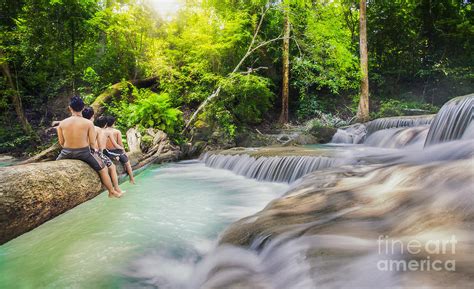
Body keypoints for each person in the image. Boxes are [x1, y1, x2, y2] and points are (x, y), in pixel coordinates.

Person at [56, 96, 122, 198]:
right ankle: (111, 191)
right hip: (84, 152)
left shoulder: (62, 123)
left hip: (66, 152)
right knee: (103, 169)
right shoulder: (88, 123)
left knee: (56, 165)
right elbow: (92, 142)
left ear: (70, 108)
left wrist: (69, 148)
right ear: (83, 108)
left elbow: (61, 142)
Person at [82, 107, 123, 196]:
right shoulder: (96, 128)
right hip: (92, 152)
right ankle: (115, 189)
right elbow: (100, 147)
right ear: (92, 116)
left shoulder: (80, 126)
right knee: (112, 167)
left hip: (81, 151)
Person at [103, 116, 135, 184]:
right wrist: (124, 152)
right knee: (127, 163)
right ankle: (132, 179)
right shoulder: (117, 131)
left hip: (107, 152)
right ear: (114, 123)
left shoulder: (103, 131)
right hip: (117, 151)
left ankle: (115, 158)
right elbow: (120, 144)